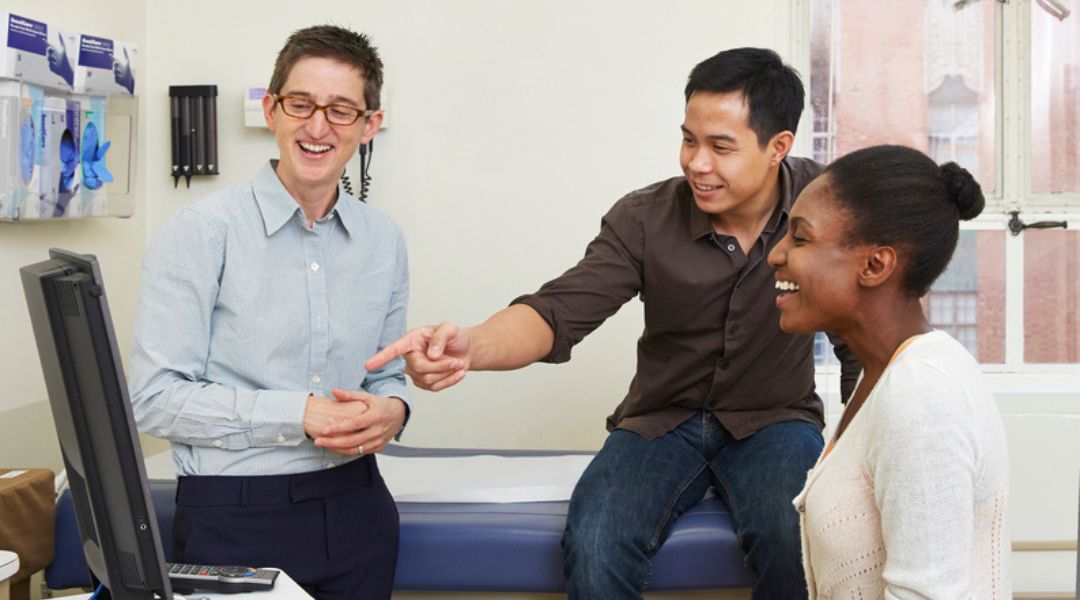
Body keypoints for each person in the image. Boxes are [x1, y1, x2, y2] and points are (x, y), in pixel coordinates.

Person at [363, 47, 860, 598]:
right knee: (596, 541)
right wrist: (470, 345)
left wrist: (863, 442)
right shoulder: (645, 217)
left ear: (778, 148)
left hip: (776, 420)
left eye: (721, 147)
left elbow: (858, 331)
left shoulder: (828, 208)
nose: (696, 162)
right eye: (689, 139)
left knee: (799, 541)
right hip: (661, 421)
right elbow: (559, 311)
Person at [129, 25, 408, 599]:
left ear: (369, 125)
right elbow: (153, 398)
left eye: (340, 110)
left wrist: (396, 409)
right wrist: (299, 413)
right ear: (272, 109)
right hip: (234, 517)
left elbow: (386, 374)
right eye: (301, 104)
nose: (317, 126)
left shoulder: (385, 241)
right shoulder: (202, 232)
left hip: (360, 510)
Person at [768, 145, 1010, 597]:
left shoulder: (922, 393)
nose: (775, 256)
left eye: (800, 239)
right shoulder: (881, 373)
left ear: (875, 265)